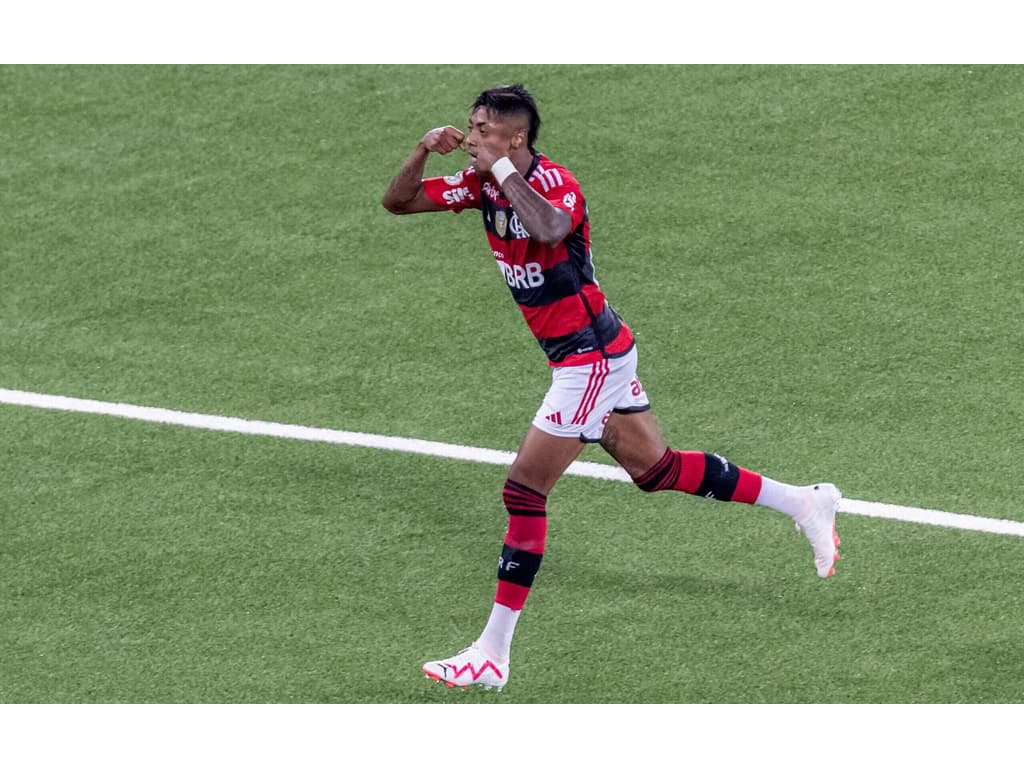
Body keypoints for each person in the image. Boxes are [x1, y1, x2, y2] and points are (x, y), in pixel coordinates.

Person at [381, 84, 842, 692]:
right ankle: (803, 502)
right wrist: (420, 149)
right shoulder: (481, 182)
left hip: (589, 358)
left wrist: (495, 166)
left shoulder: (554, 184)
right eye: (469, 127)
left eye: (484, 130)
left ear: (516, 138)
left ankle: (491, 652)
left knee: (524, 490)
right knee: (656, 470)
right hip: (590, 356)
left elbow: (546, 229)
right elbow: (399, 202)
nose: (470, 138)